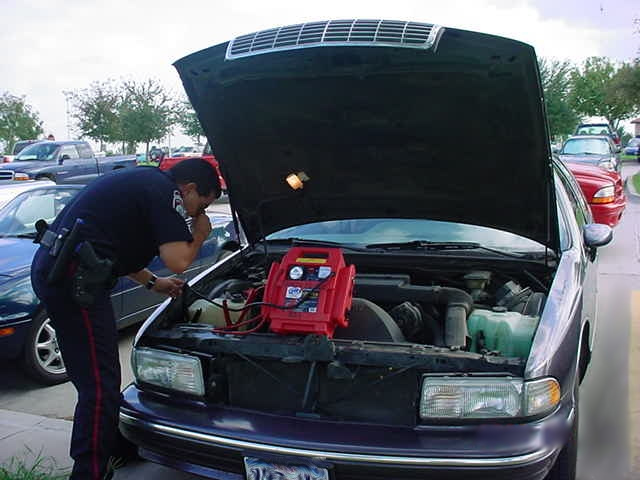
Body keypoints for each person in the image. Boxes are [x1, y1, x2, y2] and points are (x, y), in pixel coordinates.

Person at [30, 158, 221, 480]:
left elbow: (113, 246)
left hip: (64, 271)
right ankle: (89, 471)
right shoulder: (165, 193)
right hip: (75, 282)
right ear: (188, 189)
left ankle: (115, 446)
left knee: (96, 377)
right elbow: (178, 260)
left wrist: (152, 283)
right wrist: (199, 234)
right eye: (201, 205)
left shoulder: (144, 183)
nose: (196, 214)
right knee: (100, 386)